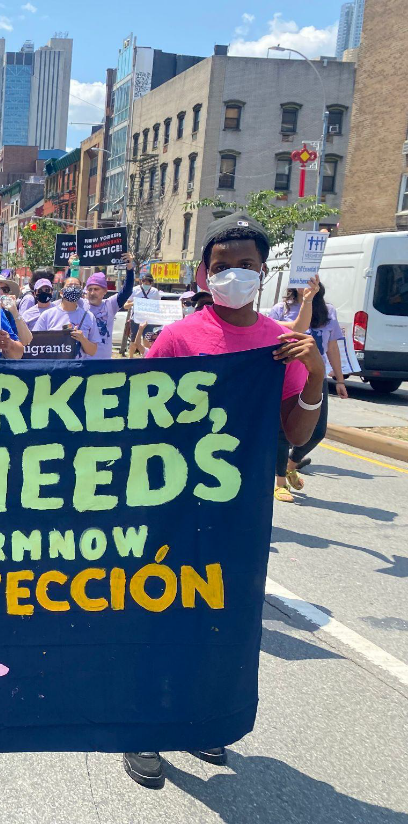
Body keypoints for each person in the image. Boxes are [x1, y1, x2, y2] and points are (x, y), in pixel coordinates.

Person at [130, 213, 325, 788]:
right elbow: (134, 412)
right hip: (167, 505)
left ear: (263, 273)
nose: (233, 276)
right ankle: (143, 728)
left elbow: (295, 435)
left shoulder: (277, 342)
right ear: (203, 274)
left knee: (218, 618)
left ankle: (202, 719)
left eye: (245, 266)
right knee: (157, 612)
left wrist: (313, 375)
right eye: (222, 267)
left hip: (236, 513)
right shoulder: (178, 337)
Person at [272, 276, 349, 501]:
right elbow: (284, 333)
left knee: (317, 431)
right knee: (282, 431)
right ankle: (279, 482)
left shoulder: (328, 311)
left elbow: (332, 346)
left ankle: (290, 465)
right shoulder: (280, 309)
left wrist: (340, 380)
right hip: (288, 374)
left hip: (316, 375)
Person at [83, 252, 135, 359]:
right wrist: (73, 266)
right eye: (90, 289)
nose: (92, 293)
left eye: (96, 289)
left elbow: (126, 291)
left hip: (104, 362)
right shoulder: (80, 304)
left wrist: (129, 268)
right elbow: (69, 290)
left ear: (105, 291)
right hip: (84, 362)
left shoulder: (110, 305)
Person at [31, 279, 100, 358]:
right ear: (61, 292)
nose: (73, 288)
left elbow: (92, 351)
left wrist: (82, 339)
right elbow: (35, 343)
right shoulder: (47, 315)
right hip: (54, 367)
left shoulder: (89, 317)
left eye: (76, 286)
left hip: (77, 368)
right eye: (69, 286)